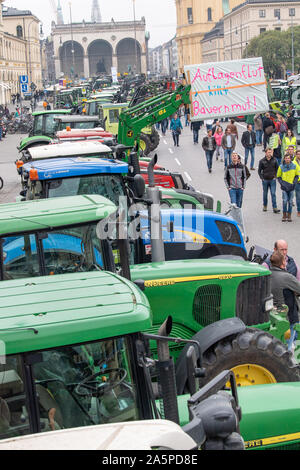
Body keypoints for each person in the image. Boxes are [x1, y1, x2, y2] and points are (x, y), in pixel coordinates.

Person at [269, 250, 300, 350]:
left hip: (273, 315)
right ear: (283, 263)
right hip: (288, 318)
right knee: (289, 347)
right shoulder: (286, 277)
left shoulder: (268, 274)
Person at [277, 153, 300, 222]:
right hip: (284, 187)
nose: (287, 159)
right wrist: (282, 184)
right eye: (286, 158)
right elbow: (278, 176)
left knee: (290, 202)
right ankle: (284, 215)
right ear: (284, 159)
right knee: (284, 201)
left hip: (292, 187)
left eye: (288, 158)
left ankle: (289, 215)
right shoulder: (281, 166)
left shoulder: (294, 166)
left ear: (290, 159)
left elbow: (297, 175)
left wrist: (294, 183)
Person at [258, 148, 280, 213]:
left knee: (273, 194)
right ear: (265, 153)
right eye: (268, 152)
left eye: (270, 152)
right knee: (265, 194)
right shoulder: (262, 161)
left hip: (272, 180)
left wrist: (275, 177)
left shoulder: (275, 160)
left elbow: (277, 169)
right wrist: (261, 178)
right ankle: (265, 205)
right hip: (265, 180)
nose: (269, 154)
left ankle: (275, 207)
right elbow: (259, 171)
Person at [294, 149, 300, 217]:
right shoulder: (293, 162)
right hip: (297, 182)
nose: (299, 155)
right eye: (298, 154)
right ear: (296, 155)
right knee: (298, 197)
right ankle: (299, 210)